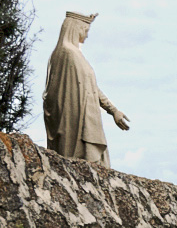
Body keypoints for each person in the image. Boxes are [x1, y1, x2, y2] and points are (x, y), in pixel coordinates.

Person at [42, 11, 130, 167]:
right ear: (76, 28)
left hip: (77, 121)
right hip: (77, 126)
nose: (87, 36)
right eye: (86, 31)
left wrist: (113, 110)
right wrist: (112, 110)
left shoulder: (63, 54)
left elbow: (91, 87)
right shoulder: (70, 54)